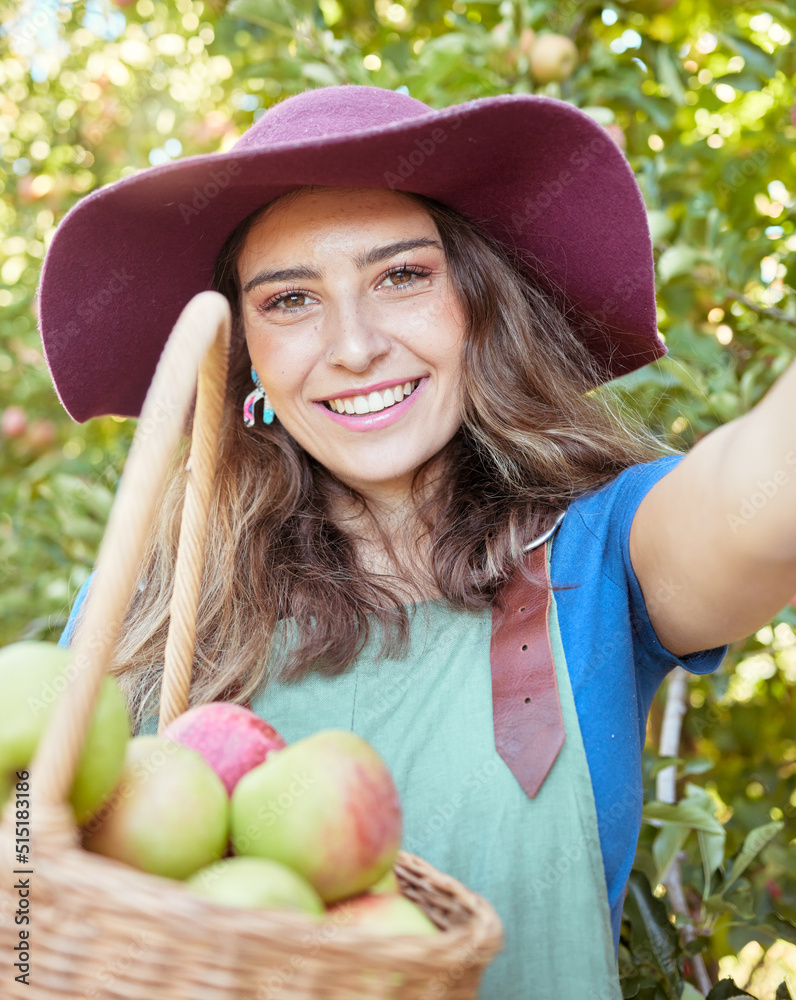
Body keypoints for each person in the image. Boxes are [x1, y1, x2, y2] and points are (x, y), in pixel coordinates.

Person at [44, 85, 796, 1000]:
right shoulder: (158, 601)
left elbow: (761, 496)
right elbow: (22, 871)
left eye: (402, 276)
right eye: (290, 300)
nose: (354, 346)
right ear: (247, 357)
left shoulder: (597, 552)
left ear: (477, 304)